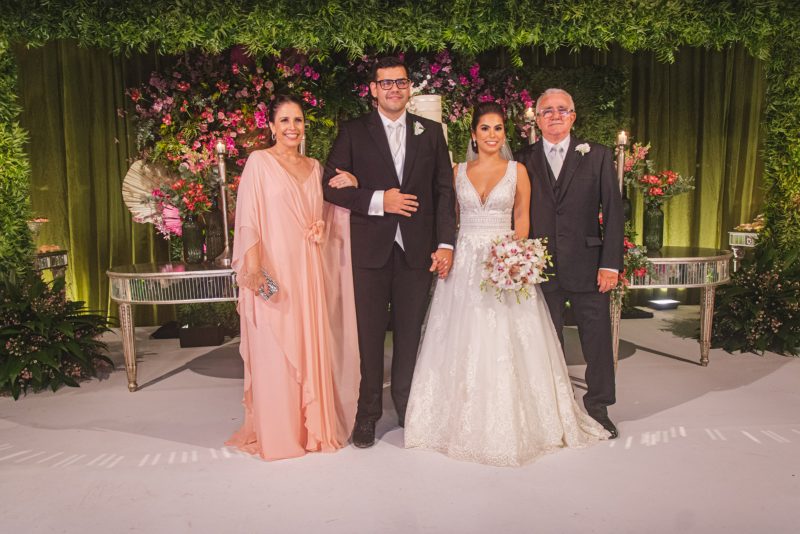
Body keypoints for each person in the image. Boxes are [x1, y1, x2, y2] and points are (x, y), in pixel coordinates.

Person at [404, 102, 609, 466]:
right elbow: (447, 217)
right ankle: (453, 421)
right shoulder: (457, 171)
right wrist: (445, 249)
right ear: (473, 134)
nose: (492, 135)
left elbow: (522, 217)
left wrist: (515, 256)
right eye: (485, 128)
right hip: (465, 261)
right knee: (460, 338)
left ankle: (521, 421)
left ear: (504, 134)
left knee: (506, 337)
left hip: (504, 258)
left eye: (498, 128)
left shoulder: (518, 171)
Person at [323, 57, 457, 448]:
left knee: (409, 337)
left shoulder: (430, 132)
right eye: (385, 83)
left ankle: (408, 408)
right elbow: (330, 186)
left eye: (400, 82)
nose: (393, 89)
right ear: (373, 89)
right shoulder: (353, 131)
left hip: (417, 252)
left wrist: (445, 243)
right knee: (368, 338)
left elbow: (444, 191)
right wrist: (381, 199)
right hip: (370, 251)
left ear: (409, 87)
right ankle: (367, 415)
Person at [226, 94, 361, 460]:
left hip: (309, 271)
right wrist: (255, 272)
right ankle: (280, 435)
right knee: (275, 348)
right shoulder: (259, 162)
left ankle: (312, 430)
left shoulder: (316, 167)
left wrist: (344, 191)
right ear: (271, 126)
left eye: (298, 120)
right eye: (284, 120)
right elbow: (248, 219)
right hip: (273, 270)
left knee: (308, 343)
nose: (291, 127)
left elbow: (329, 215)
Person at [514, 88, 624, 439]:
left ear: (574, 116)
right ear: (537, 118)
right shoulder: (523, 159)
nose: (556, 115)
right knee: (546, 339)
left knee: (596, 339)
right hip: (539, 265)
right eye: (548, 111)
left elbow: (615, 212)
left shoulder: (598, 156)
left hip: (589, 263)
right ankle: (552, 409)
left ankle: (599, 407)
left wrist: (610, 264)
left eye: (563, 110)